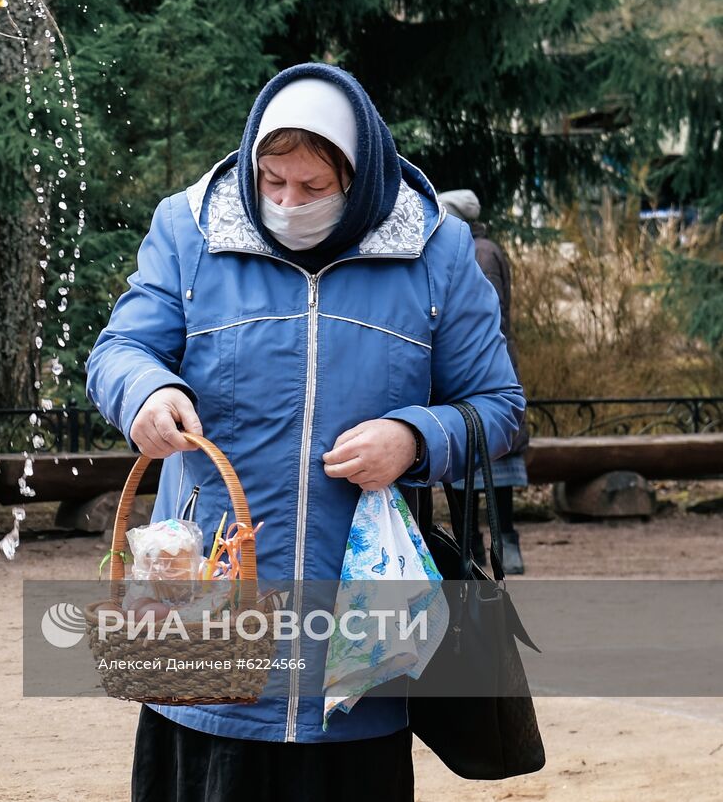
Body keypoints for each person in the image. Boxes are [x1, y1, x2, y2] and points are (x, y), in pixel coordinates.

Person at [86, 63, 524, 801]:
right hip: (205, 628)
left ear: (360, 175)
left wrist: (414, 438)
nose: (288, 202)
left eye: (314, 186)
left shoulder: (437, 253)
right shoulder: (188, 229)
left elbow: (499, 405)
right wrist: (146, 391)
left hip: (360, 646)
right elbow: (118, 350)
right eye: (272, 180)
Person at [440, 189, 529, 574]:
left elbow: (483, 319)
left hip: (484, 366)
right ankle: (475, 546)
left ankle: (495, 545)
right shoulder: (480, 247)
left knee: (490, 464)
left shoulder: (478, 252)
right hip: (488, 362)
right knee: (478, 466)